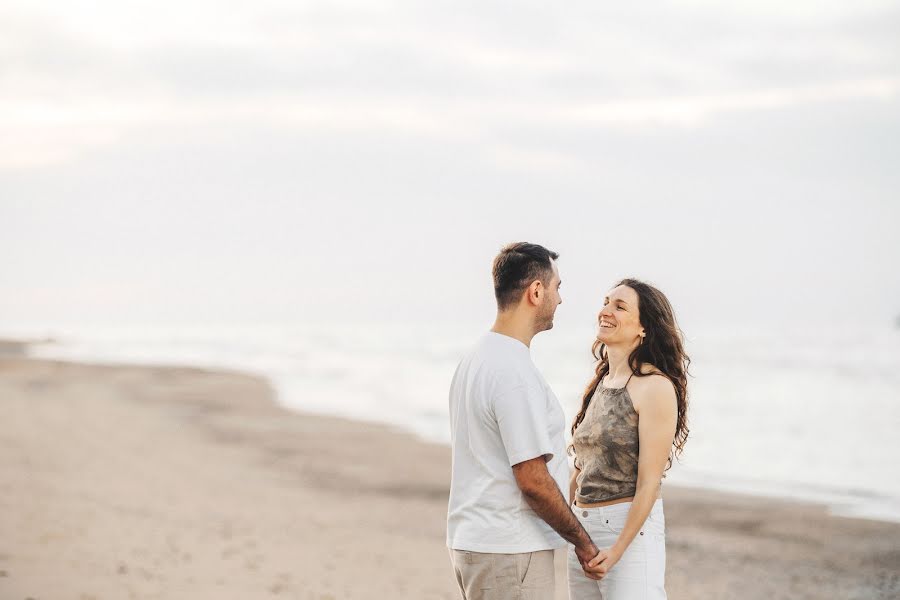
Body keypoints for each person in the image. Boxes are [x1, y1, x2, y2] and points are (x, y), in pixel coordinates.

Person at [447, 242, 604, 600]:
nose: (560, 299)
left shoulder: (475, 359)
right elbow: (532, 479)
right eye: (557, 287)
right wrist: (582, 541)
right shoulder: (513, 371)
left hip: (476, 539)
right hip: (510, 547)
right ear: (536, 291)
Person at [566, 279, 690, 600]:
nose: (605, 311)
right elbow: (582, 466)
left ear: (643, 328)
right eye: (606, 301)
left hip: (626, 533)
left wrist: (618, 549)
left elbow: (650, 482)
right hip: (583, 531)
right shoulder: (601, 382)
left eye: (620, 307)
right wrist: (570, 525)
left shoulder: (655, 387)